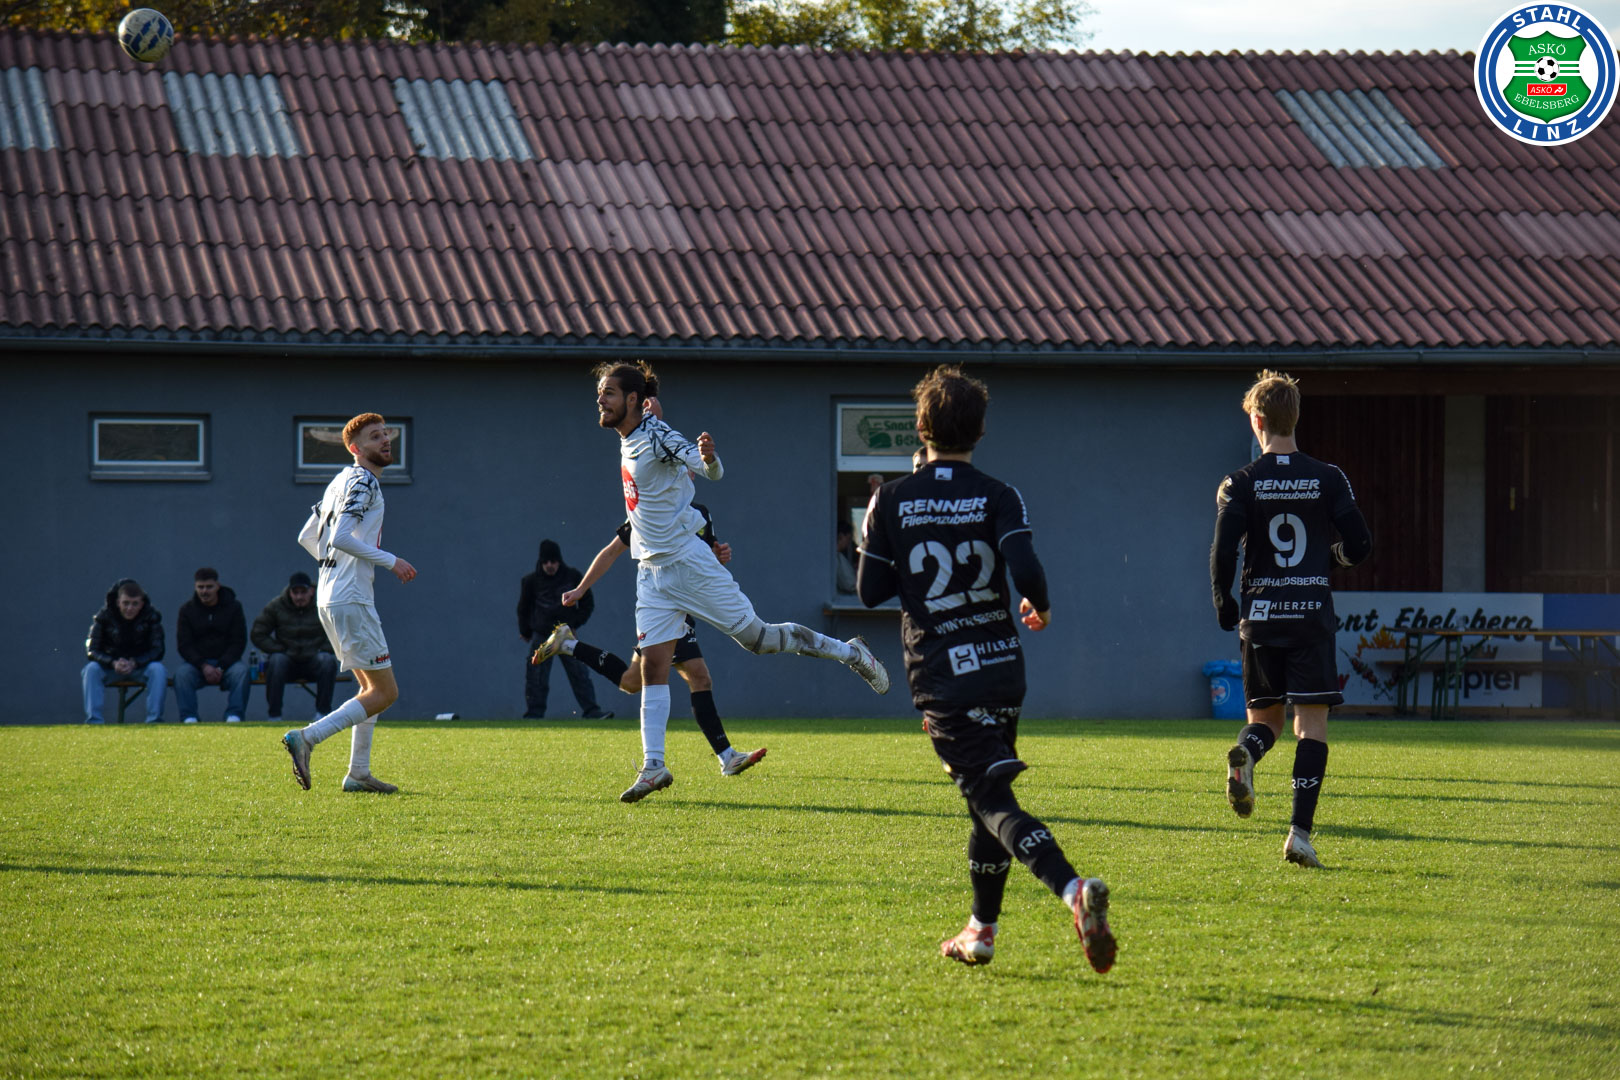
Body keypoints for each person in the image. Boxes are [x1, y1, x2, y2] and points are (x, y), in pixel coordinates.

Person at [857, 364, 1115, 973]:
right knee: (987, 797)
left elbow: (869, 591)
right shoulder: (1000, 494)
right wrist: (1041, 606)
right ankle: (981, 929)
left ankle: (1072, 889)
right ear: (979, 431)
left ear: (921, 427)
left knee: (990, 799)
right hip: (1001, 665)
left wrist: (895, 542)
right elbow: (1024, 567)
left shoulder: (891, 499)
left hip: (942, 673)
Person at [591, 361, 889, 803]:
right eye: (600, 392)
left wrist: (709, 458)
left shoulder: (657, 434)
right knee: (652, 666)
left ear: (632, 399)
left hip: (689, 565)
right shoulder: (631, 436)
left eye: (609, 393)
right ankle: (654, 766)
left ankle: (850, 652)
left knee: (759, 640)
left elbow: (710, 471)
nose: (601, 400)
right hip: (651, 573)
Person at [1210, 369, 1371, 869]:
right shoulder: (1329, 477)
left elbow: (1223, 550)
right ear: (1294, 417)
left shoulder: (1239, 483)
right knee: (1311, 725)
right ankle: (1299, 834)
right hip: (1309, 618)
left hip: (1260, 618)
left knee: (1266, 721)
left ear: (1256, 422)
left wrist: (1222, 599)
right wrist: (1331, 557)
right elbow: (1360, 544)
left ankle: (1248, 756)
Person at [537, 502, 766, 777]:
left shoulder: (701, 513)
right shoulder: (648, 509)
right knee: (699, 677)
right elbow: (612, 551)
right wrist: (580, 589)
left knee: (631, 681)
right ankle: (725, 756)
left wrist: (718, 556)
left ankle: (568, 644)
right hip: (663, 610)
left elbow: (703, 557)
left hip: (683, 607)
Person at [282, 413, 418, 794]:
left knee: (369, 689)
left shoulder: (339, 481)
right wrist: (391, 561)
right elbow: (341, 538)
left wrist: (335, 566)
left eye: (386, 434)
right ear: (356, 448)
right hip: (350, 598)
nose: (385, 440)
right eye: (375, 437)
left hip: (329, 597)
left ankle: (358, 773)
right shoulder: (364, 481)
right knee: (386, 692)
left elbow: (307, 536)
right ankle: (307, 737)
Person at [517, 539, 610, 720]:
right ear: (540, 562)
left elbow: (587, 604)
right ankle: (534, 714)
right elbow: (523, 608)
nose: (550, 565)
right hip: (542, 635)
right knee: (536, 676)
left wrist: (574, 624)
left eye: (553, 561)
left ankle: (592, 710)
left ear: (559, 561)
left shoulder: (573, 577)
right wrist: (525, 631)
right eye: (546, 562)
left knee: (579, 673)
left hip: (566, 634)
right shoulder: (531, 581)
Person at [251, 571, 339, 722]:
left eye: (303, 592)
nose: (299, 597)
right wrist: (279, 649)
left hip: (314, 660)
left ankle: (322, 713)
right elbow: (258, 633)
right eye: (295, 592)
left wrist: (323, 649)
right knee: (277, 661)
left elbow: (338, 633)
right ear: (289, 592)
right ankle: (274, 716)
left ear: (311, 591)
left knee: (327, 660)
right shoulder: (277, 606)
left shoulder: (324, 605)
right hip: (288, 660)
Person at [82, 578, 167, 724]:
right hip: (111, 669)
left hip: (140, 668)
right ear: (118, 602)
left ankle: (154, 720)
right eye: (126, 603)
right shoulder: (104, 617)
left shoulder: (152, 617)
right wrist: (113, 662)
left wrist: (135, 662)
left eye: (135, 604)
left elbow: (158, 650)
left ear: (142, 603)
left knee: (158, 670)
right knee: (91, 669)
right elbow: (92, 650)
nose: (129, 608)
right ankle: (94, 721)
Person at [175, 567, 250, 724]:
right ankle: (189, 718)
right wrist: (203, 665)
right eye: (200, 587)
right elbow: (184, 645)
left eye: (209, 587)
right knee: (182, 675)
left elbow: (238, 642)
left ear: (218, 586)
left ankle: (234, 716)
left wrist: (221, 666)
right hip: (197, 665)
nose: (204, 591)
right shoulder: (186, 610)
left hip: (227, 665)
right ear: (195, 587)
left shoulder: (234, 607)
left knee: (241, 672)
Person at [834, 519, 858, 594]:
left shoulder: (837, 557)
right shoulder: (837, 558)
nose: (849, 542)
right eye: (848, 539)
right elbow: (850, 584)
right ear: (841, 536)